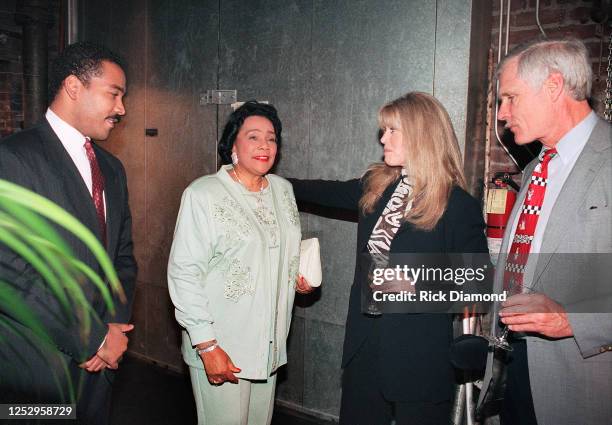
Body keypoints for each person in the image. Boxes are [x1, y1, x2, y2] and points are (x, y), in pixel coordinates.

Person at [289, 92, 488, 425]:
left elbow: (477, 283)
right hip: (365, 345)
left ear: (421, 135)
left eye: (392, 130)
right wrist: (267, 179)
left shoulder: (456, 205)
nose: (383, 138)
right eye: (384, 130)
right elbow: (320, 190)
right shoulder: (377, 185)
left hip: (419, 356)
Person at [0, 42, 137, 424]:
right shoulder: (12, 158)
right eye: (114, 94)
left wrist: (112, 332)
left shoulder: (112, 169)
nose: (121, 109)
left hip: (101, 368)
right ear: (74, 87)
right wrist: (90, 336)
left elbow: (122, 258)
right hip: (37, 370)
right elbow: (9, 271)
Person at [478, 38, 612, 424]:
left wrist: (573, 320)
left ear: (553, 86)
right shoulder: (537, 166)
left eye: (511, 98)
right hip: (513, 368)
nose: (502, 114)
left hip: (582, 385)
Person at [167, 101, 312, 425]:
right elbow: (184, 273)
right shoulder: (203, 193)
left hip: (269, 346)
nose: (264, 145)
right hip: (223, 346)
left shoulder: (283, 190)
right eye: (253, 137)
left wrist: (294, 276)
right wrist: (207, 346)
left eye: (272, 138)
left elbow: (277, 248)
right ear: (232, 143)